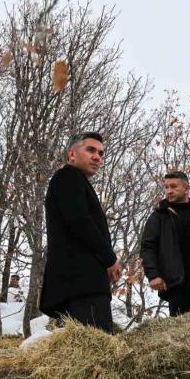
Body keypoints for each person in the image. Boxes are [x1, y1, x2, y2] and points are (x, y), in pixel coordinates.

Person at [39, 132, 120, 333]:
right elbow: (79, 221)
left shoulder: (76, 180)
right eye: (91, 150)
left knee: (92, 344)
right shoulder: (67, 176)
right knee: (97, 345)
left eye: (101, 153)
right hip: (82, 282)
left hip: (81, 283)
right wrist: (110, 259)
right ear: (72, 154)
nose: (97, 157)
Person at [140, 171, 190, 316]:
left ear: (186, 188)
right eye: (166, 187)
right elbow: (148, 247)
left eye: (173, 186)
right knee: (182, 324)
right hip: (177, 281)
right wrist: (153, 275)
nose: (169, 191)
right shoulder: (159, 216)